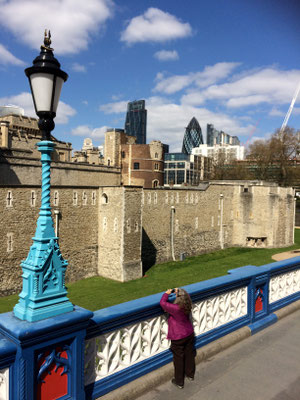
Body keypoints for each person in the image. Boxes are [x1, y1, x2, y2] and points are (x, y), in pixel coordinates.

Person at [160, 287, 196, 389]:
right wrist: (179, 291)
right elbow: (186, 295)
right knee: (189, 354)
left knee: (178, 359)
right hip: (189, 333)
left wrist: (166, 293)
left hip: (178, 336)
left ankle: (179, 381)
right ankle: (190, 374)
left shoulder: (175, 308)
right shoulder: (187, 304)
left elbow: (162, 303)